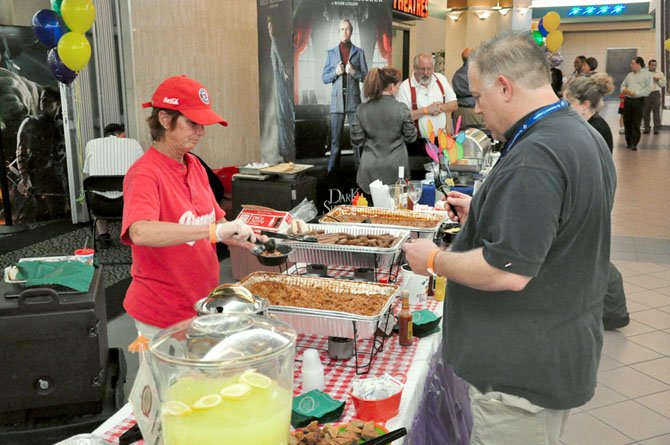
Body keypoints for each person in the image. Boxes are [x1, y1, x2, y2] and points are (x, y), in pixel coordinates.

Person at [402, 32, 616, 445]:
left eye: (480, 97)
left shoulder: (537, 155)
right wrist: (483, 214)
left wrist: (433, 260)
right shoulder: (578, 133)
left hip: (519, 374)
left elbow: (508, 271)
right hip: (555, 347)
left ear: (505, 87)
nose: (477, 109)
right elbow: (560, 228)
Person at [121, 75, 259, 338]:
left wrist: (246, 238)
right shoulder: (145, 173)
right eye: (192, 123)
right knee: (163, 380)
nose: (200, 132)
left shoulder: (193, 164)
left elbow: (215, 222)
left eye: (203, 124)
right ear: (164, 120)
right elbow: (140, 232)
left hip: (202, 304)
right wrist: (212, 233)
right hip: (162, 313)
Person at [565, 73, 631, 330]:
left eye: (567, 103)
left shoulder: (595, 129)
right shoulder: (592, 125)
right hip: (594, 195)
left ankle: (614, 310)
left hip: (593, 198)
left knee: (593, 255)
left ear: (583, 105)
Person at [350, 67, 417, 197]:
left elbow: (356, 141)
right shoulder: (401, 108)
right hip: (396, 168)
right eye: (398, 85)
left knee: (371, 213)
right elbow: (411, 137)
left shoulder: (362, 109)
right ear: (392, 86)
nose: (399, 88)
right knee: (396, 213)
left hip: (369, 169)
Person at [83, 123, 144, 248]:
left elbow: (88, 171)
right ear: (120, 134)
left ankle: (103, 235)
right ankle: (131, 233)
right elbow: (143, 170)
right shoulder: (133, 143)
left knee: (96, 191)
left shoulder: (91, 144)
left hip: (99, 206)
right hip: (126, 205)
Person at [14, 87, 68, 222]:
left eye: (48, 98)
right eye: (42, 98)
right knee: (38, 214)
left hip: (55, 175)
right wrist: (24, 176)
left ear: (58, 103)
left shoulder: (61, 125)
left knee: (59, 213)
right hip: (36, 175)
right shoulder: (31, 122)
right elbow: (22, 150)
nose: (43, 100)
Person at [322, 18, 368, 172]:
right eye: (342, 29)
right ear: (339, 32)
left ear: (351, 32)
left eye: (347, 29)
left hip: (354, 102)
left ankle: (360, 172)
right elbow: (324, 77)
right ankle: (332, 172)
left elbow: (366, 78)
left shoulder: (359, 53)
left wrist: (353, 72)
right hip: (337, 103)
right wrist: (335, 72)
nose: (344, 32)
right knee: (335, 141)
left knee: (357, 140)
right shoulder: (331, 53)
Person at [396, 52, 457, 140]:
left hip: (441, 140)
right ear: (415, 68)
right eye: (422, 69)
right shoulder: (405, 88)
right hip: (417, 142)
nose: (426, 72)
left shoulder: (441, 80)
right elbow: (401, 117)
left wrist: (440, 107)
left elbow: (454, 104)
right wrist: (426, 110)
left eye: (429, 69)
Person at [267, 16, 296, 161]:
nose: (271, 30)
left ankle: (287, 148)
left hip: (280, 79)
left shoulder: (276, 42)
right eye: (269, 27)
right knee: (280, 113)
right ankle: (283, 148)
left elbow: (279, 57)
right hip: (277, 79)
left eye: (272, 27)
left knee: (283, 112)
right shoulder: (274, 42)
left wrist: (284, 71)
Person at [621, 56, 653, 150]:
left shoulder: (647, 75)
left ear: (638, 64)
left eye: (633, 63)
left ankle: (634, 143)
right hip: (628, 100)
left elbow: (648, 89)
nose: (631, 65)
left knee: (636, 122)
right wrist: (625, 90)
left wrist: (636, 93)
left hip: (639, 100)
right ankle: (628, 142)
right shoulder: (629, 75)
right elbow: (622, 86)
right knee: (627, 121)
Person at [451, 48, 484, 129]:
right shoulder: (477, 72)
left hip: (458, 112)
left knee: (460, 139)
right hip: (474, 114)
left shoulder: (457, 73)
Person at [643, 59, 666, 134]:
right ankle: (647, 128)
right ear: (649, 65)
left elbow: (663, 84)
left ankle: (656, 128)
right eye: (652, 65)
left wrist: (658, 80)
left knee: (656, 111)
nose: (654, 66)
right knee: (646, 111)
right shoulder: (644, 73)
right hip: (646, 94)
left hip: (656, 93)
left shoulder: (660, 73)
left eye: (655, 65)